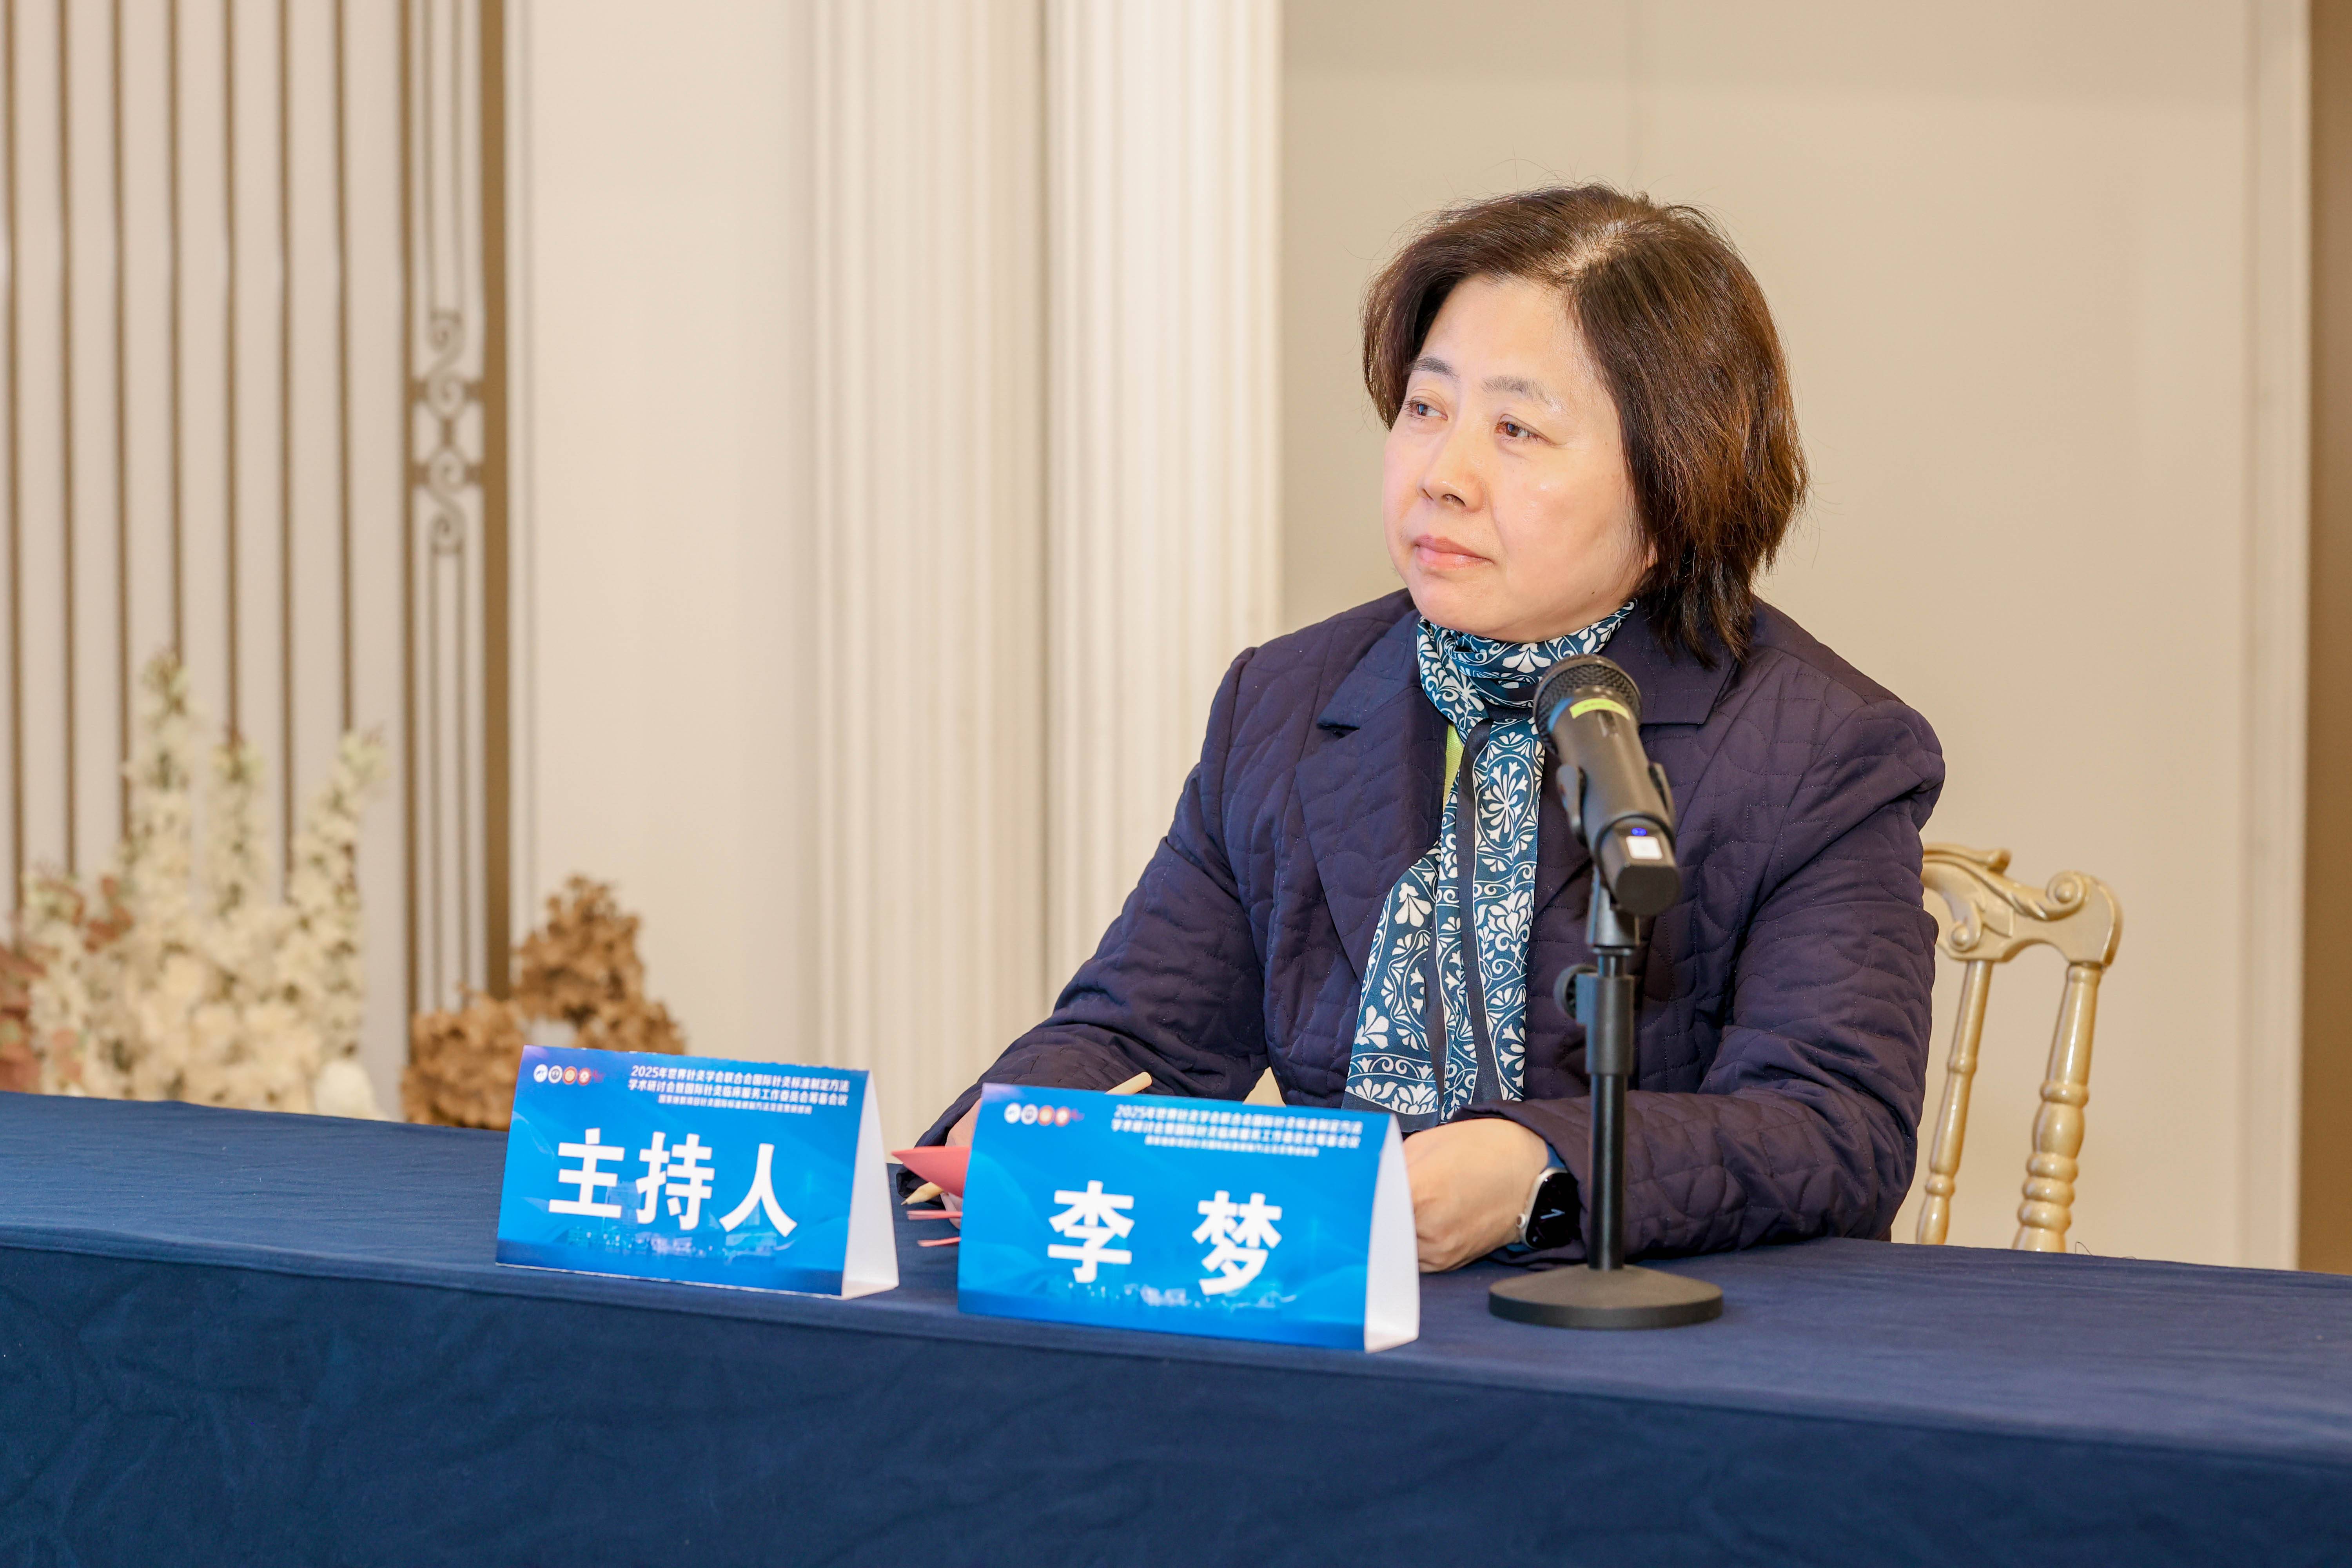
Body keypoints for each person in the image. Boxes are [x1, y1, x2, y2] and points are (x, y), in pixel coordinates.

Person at [916, 184, 1944, 1271]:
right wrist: (1025, 1117)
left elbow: (1834, 1128)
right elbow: (1139, 1034)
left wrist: (1538, 1170)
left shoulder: (1820, 752)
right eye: (1424, 409)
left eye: (1517, 429)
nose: (1442, 476)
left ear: (1672, 487)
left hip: (1647, 1329)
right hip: (1329, 1306)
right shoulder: (1286, 702)